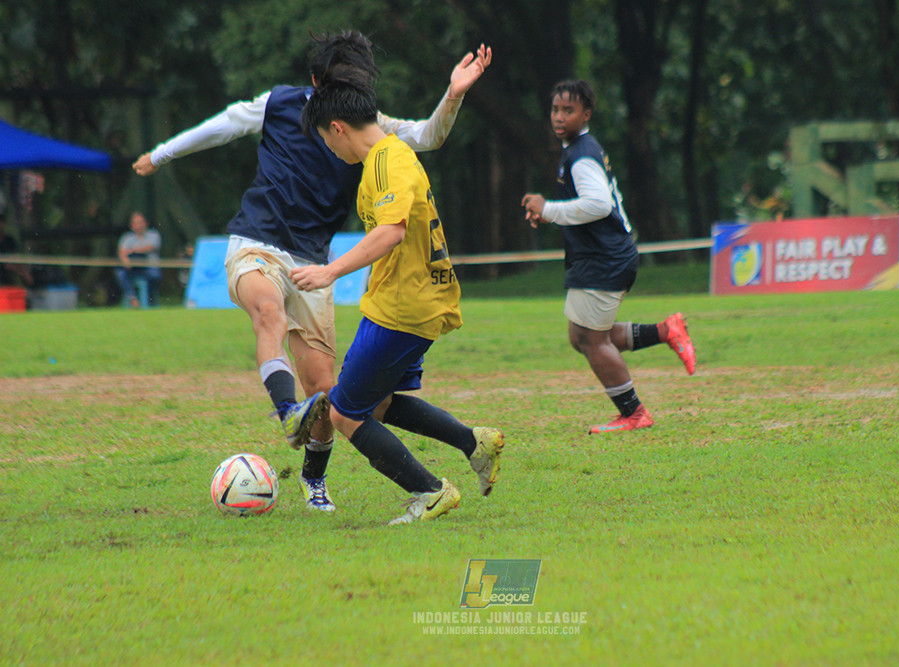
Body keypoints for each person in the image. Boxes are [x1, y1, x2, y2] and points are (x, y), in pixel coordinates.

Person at [132, 32, 491, 511]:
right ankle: (286, 412)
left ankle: (314, 477)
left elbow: (430, 136)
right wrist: (162, 153)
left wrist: (452, 95)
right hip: (257, 242)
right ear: (318, 81)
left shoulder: (370, 125)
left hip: (314, 262)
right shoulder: (280, 103)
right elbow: (225, 123)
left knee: (329, 392)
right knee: (267, 311)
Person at [291, 74, 504, 526]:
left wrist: (329, 271)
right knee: (380, 402)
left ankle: (430, 491)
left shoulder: (388, 160)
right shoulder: (383, 158)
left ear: (338, 127)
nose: (331, 151)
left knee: (346, 414)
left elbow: (392, 231)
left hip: (404, 308)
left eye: (326, 141)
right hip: (397, 301)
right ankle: (473, 443)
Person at [521, 79, 696, 435]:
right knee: (581, 336)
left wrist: (550, 209)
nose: (558, 116)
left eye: (568, 110)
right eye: (555, 109)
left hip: (605, 258)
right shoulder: (576, 148)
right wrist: (550, 212)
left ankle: (634, 413)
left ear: (586, 114)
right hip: (602, 255)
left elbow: (599, 205)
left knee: (590, 339)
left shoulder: (582, 153)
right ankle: (666, 330)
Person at [115, 211, 162, 307]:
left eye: (141, 222)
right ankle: (133, 298)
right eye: (136, 223)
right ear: (132, 225)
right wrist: (125, 260)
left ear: (145, 223)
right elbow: (121, 252)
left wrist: (132, 251)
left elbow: (150, 247)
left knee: (155, 275)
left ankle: (150, 298)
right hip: (132, 268)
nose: (139, 225)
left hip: (148, 267)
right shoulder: (127, 238)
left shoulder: (154, 235)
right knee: (121, 273)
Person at [0, 216, 34, 287]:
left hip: (8, 280)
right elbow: (6, 265)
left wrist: (24, 272)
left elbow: (15, 258)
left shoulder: (9, 240)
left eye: (2, 222)